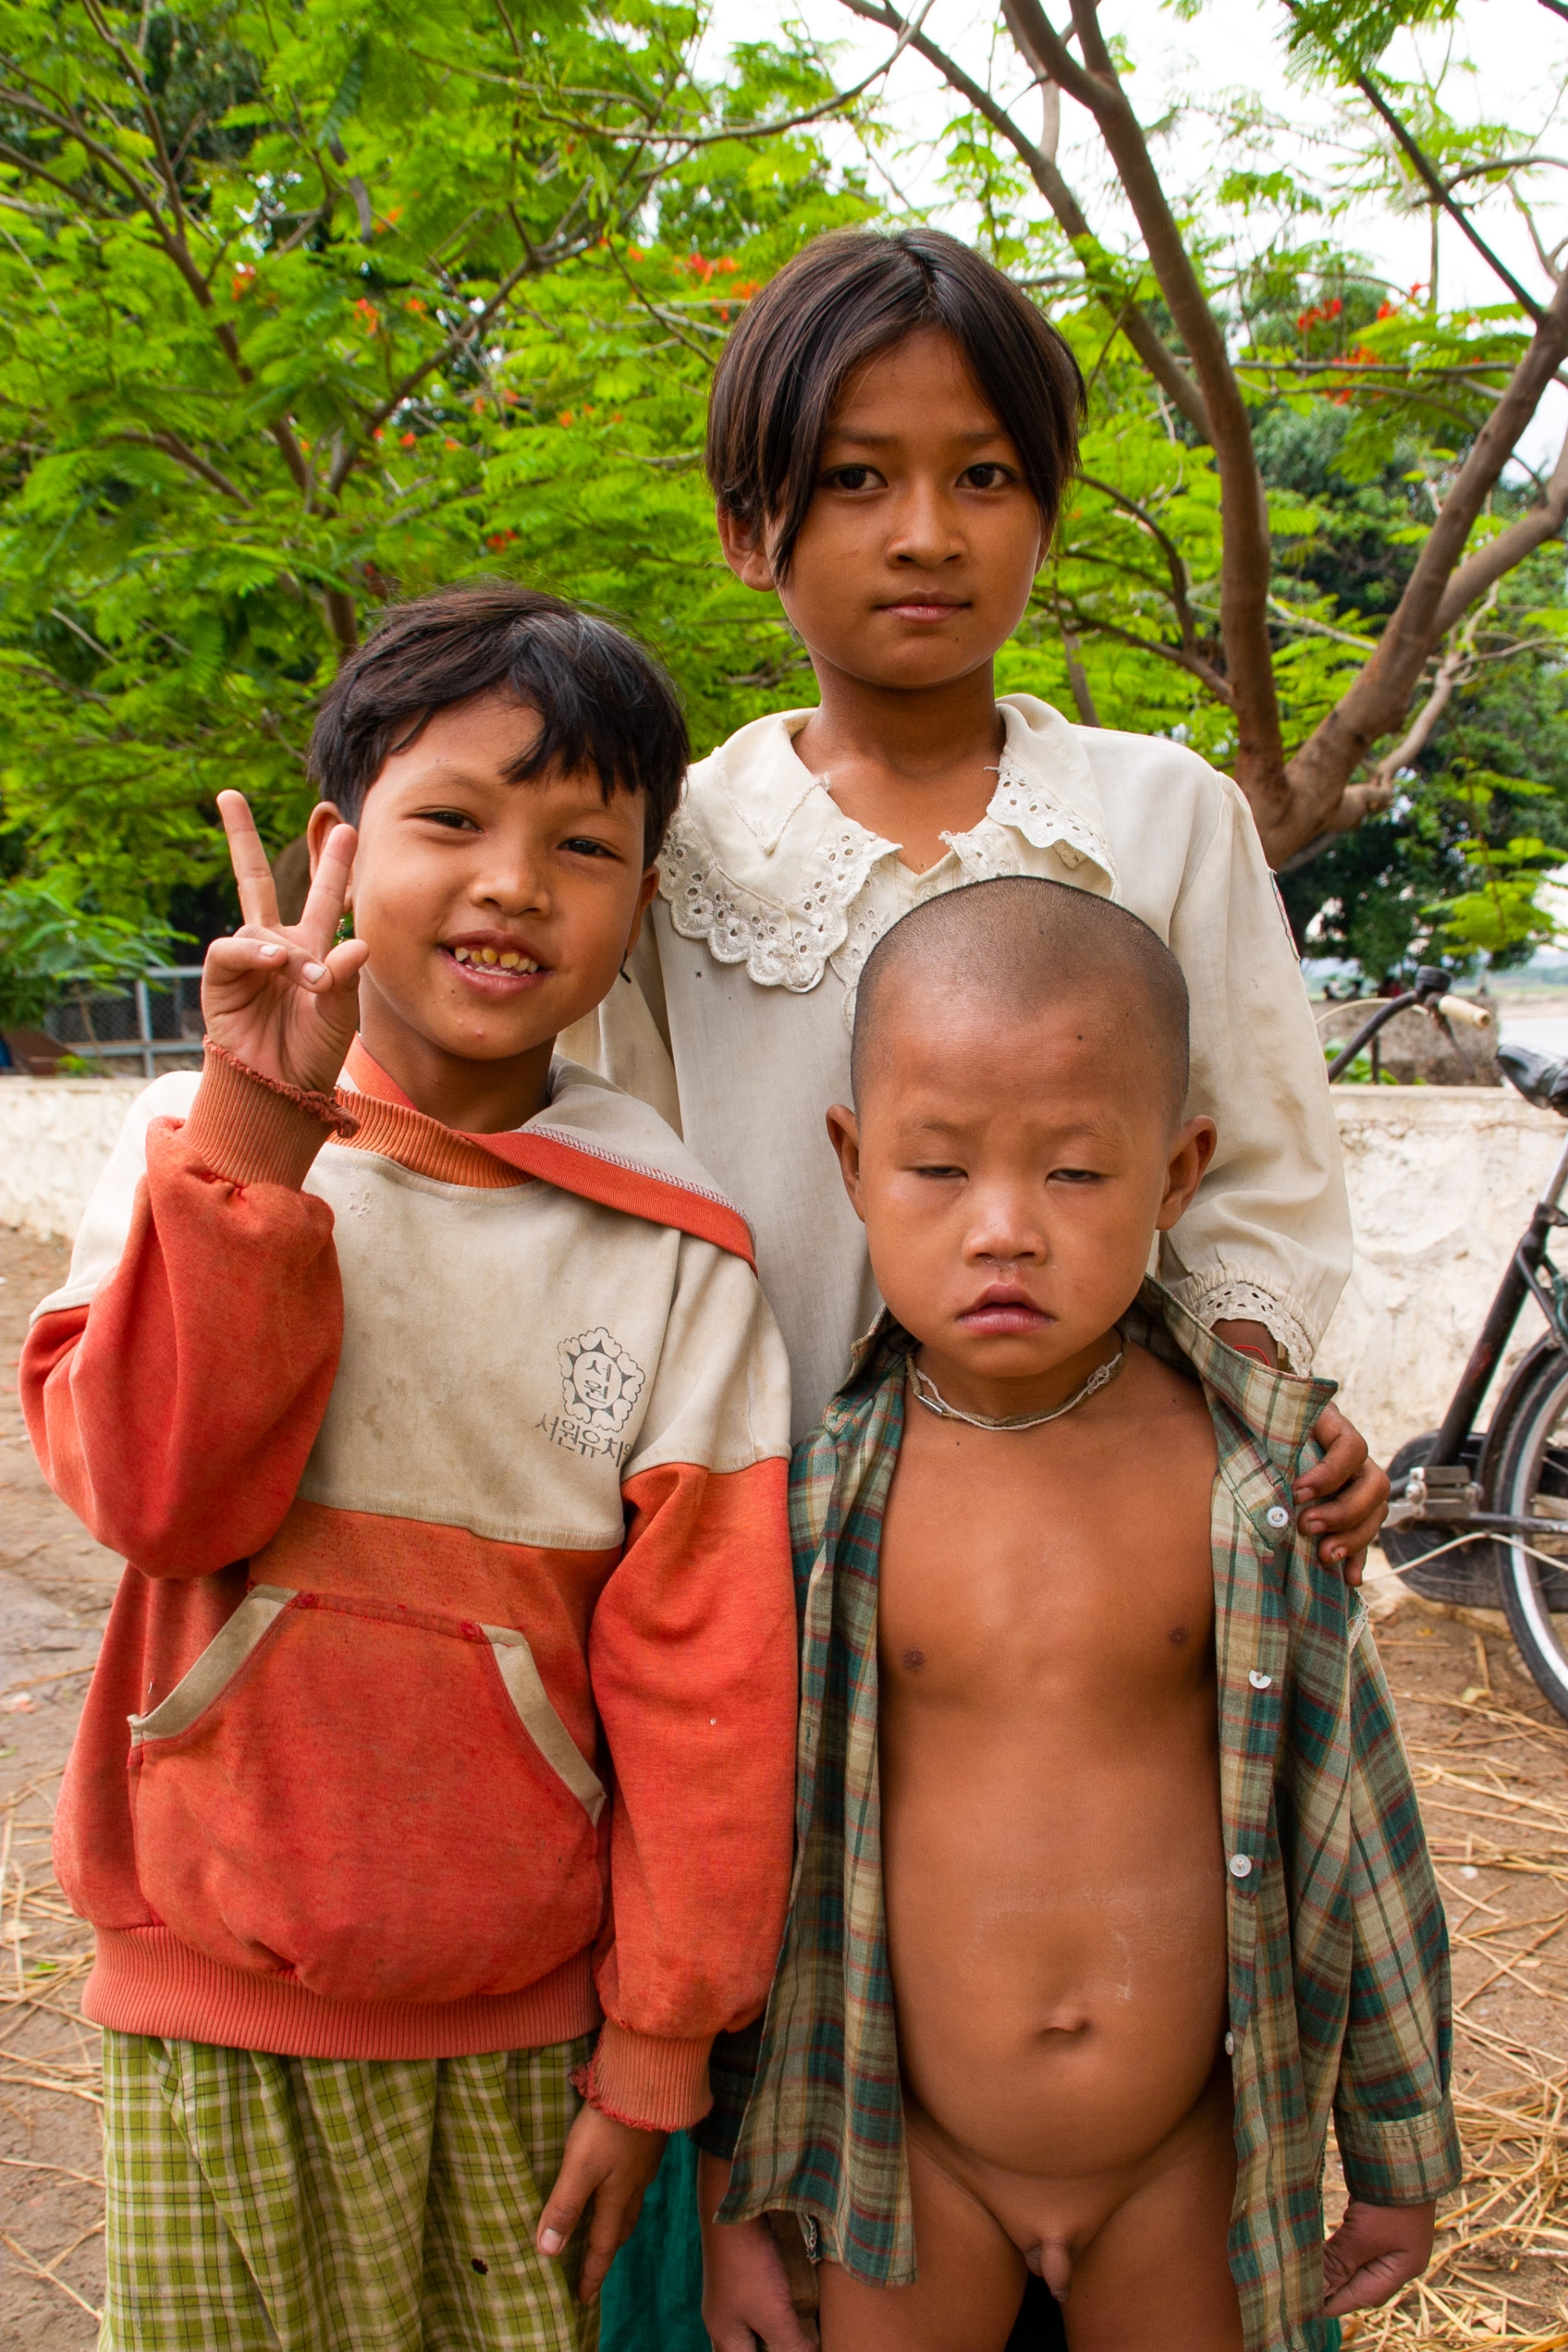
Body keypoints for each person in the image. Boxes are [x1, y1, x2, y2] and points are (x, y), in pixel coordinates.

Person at [21, 585, 799, 2352]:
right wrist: (258, 1138)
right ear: (338, 851)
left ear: (641, 907)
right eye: (453, 820)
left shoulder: (675, 1250)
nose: (513, 884)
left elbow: (709, 1684)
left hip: (527, 2028)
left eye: (582, 846)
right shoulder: (187, 1141)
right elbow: (157, 1501)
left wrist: (659, 2043)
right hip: (210, 1997)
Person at [699, 877, 1459, 2352]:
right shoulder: (818, 1509)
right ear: (852, 1164)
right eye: (938, 1169)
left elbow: (1357, 1829)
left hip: (1186, 2160)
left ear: (1178, 1175)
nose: (1006, 1231)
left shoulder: (1251, 1494)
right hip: (908, 2159)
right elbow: (759, 1874)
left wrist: (1398, 2153)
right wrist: (739, 2200)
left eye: (1075, 1174)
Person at [562, 222, 1385, 1571]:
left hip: (1094, 1556)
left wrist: (1254, 1413)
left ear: (1047, 516)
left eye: (985, 476)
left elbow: (1257, 1180)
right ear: (747, 529)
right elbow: (602, 1191)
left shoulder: (1163, 819)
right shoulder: (669, 850)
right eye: (856, 478)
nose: (927, 536)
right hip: (750, 1559)